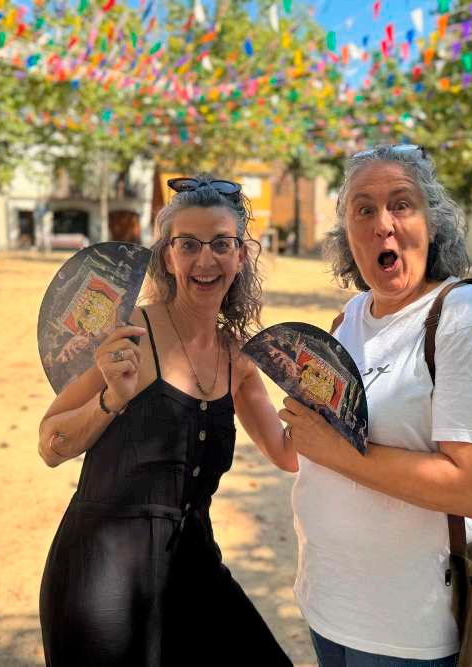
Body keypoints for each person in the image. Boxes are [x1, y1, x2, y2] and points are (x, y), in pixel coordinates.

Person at [279, 145, 472, 666]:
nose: (382, 224)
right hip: (329, 605)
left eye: (401, 204)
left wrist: (337, 451)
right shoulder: (350, 317)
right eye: (363, 209)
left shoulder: (463, 316)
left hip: (407, 633)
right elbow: (303, 450)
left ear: (432, 225)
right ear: (347, 235)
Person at [37, 176, 297, 666]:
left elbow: (287, 454)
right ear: (168, 256)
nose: (205, 260)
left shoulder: (237, 359)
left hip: (192, 567)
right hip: (102, 576)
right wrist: (110, 400)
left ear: (241, 255)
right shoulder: (132, 332)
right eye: (189, 244)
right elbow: (51, 443)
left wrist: (325, 397)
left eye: (221, 244)